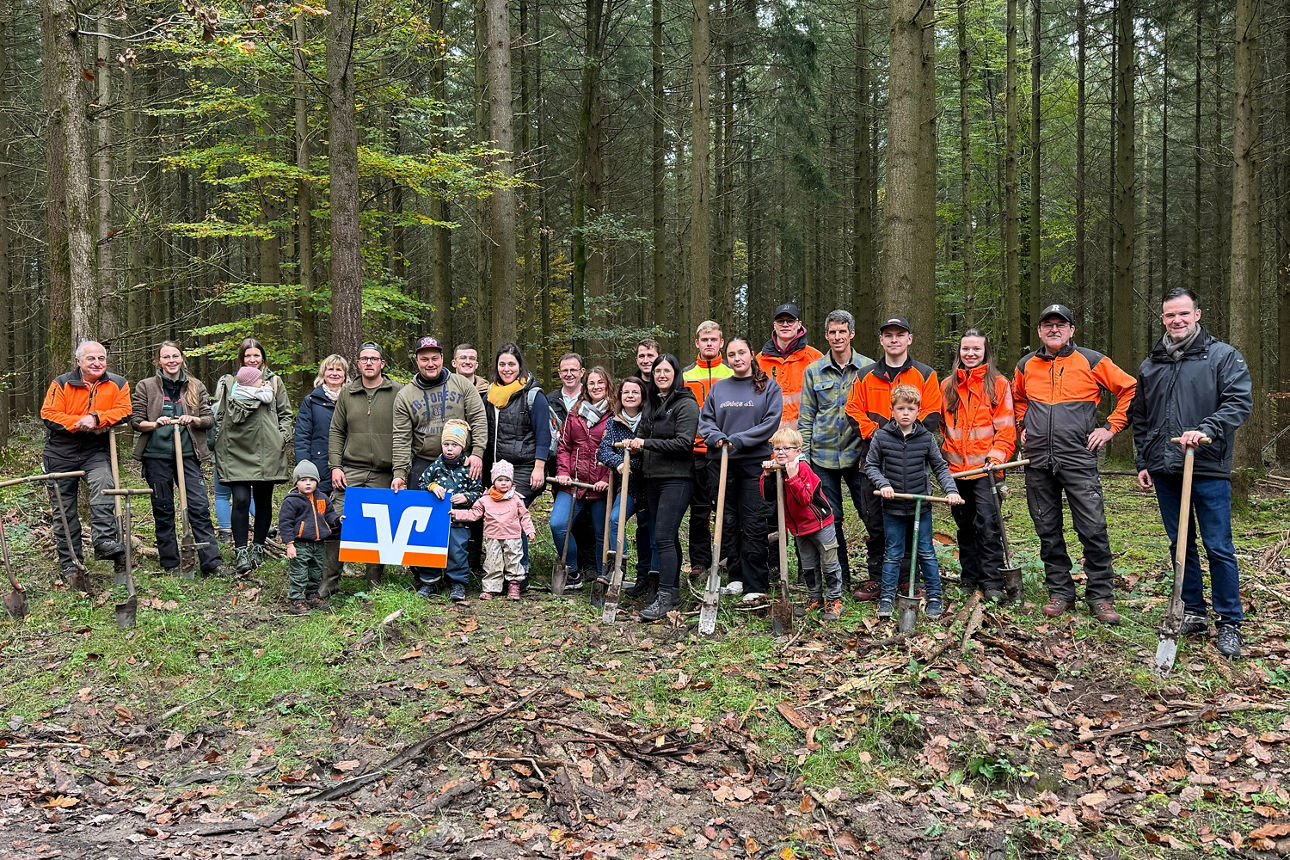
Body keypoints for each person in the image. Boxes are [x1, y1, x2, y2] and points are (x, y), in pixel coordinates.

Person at [1131, 288, 1253, 658]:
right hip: (1166, 469)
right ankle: (1194, 612)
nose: (1177, 321)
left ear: (1197, 314)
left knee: (1218, 546)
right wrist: (1143, 461)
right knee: (1179, 544)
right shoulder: (1152, 364)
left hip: (1208, 466)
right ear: (1163, 319)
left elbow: (1239, 403)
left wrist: (1208, 428)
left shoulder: (1222, 357)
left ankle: (1229, 621)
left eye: (1183, 314)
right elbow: (1142, 417)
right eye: (1170, 315)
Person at [1013, 303, 1136, 624]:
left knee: (1093, 528)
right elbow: (1017, 399)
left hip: (1078, 458)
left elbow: (1131, 388)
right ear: (1039, 330)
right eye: (1047, 325)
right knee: (1046, 528)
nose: (1054, 329)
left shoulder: (1092, 361)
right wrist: (1022, 426)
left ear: (1071, 330)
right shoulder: (1026, 365)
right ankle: (1061, 591)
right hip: (1037, 459)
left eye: (1060, 325)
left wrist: (1110, 427)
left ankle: (1100, 595)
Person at [843, 316, 942, 601]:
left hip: (912, 459)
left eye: (900, 334)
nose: (894, 340)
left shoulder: (925, 374)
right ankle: (878, 578)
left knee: (912, 519)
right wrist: (879, 434)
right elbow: (853, 410)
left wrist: (906, 433)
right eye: (889, 335)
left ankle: (908, 579)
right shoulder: (865, 375)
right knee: (875, 521)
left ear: (909, 338)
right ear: (881, 340)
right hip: (874, 457)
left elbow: (933, 411)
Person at [392, 335, 488, 592]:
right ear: (417, 361)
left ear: (443, 359)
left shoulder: (461, 385)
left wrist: (477, 452)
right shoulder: (405, 395)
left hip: (462, 463)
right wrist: (400, 472)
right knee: (423, 523)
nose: (430, 363)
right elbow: (401, 437)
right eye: (424, 359)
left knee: (465, 517)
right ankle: (428, 579)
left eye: (435, 358)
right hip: (425, 463)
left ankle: (463, 575)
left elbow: (478, 418)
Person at [864, 384, 963, 619]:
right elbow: (870, 466)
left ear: (918, 411)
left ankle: (935, 597)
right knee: (893, 553)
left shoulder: (926, 438)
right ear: (892, 411)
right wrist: (884, 484)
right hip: (893, 507)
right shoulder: (882, 436)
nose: (905, 413)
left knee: (927, 552)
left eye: (910, 408)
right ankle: (887, 598)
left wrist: (951, 491)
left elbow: (939, 466)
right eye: (900, 408)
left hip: (922, 507)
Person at [698, 337, 784, 603]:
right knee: (728, 521)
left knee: (753, 522)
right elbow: (706, 420)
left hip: (753, 463)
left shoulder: (768, 388)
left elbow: (770, 422)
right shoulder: (719, 389)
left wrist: (740, 439)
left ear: (751, 354)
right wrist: (718, 438)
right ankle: (735, 576)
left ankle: (755, 583)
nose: (737, 358)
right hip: (722, 461)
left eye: (742, 353)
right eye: (732, 354)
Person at [128, 341, 223, 577]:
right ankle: (170, 562)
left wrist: (195, 420)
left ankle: (211, 562)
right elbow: (136, 420)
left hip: (189, 455)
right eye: (166, 357)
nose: (171, 360)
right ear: (159, 361)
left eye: (175, 356)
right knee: (163, 508)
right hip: (156, 456)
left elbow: (209, 419)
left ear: (182, 358)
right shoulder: (146, 386)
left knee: (199, 506)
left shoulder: (196, 386)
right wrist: (154, 423)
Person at [40, 340, 132, 577]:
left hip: (95, 451)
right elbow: (49, 415)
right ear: (78, 361)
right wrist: (79, 423)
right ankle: (71, 563)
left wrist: (96, 418)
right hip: (60, 452)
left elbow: (124, 411)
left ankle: (103, 541)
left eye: (101, 358)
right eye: (91, 358)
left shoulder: (118, 383)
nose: (97, 363)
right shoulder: (61, 383)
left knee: (104, 483)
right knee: (63, 510)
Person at [799, 309, 874, 594]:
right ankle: (838, 581)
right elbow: (806, 418)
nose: (837, 337)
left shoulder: (868, 369)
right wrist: (803, 458)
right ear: (826, 335)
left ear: (851, 333)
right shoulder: (814, 371)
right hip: (822, 457)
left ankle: (876, 575)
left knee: (870, 514)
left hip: (858, 457)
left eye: (843, 331)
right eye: (832, 332)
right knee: (831, 520)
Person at [941, 329, 1016, 602]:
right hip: (956, 473)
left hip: (986, 471)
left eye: (976, 349)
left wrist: (995, 459)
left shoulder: (998, 384)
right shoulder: (947, 386)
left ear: (986, 352)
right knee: (964, 528)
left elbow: (1007, 429)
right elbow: (941, 428)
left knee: (988, 526)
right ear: (959, 352)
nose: (970, 354)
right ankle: (969, 578)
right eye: (965, 349)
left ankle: (993, 582)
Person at [624, 355, 699, 620]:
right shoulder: (653, 403)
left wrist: (645, 444)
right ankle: (671, 590)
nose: (661, 375)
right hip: (652, 477)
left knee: (664, 536)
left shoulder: (686, 403)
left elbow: (683, 443)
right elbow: (642, 435)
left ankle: (666, 596)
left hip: (677, 479)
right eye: (657, 371)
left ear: (676, 373)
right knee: (664, 536)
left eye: (666, 371)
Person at [327, 342, 403, 593]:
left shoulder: (397, 392)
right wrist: (336, 466)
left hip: (384, 471)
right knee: (336, 520)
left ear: (382, 363)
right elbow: (337, 431)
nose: (369, 362)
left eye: (374, 358)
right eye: (364, 359)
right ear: (358, 364)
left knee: (379, 528)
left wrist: (401, 471)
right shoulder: (347, 393)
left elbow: (406, 433)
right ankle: (328, 585)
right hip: (351, 469)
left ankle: (373, 586)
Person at [212, 338, 293, 574]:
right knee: (240, 499)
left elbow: (285, 414)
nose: (253, 359)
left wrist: (281, 438)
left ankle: (257, 547)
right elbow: (222, 414)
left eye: (256, 355)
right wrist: (219, 441)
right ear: (241, 359)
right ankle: (241, 551)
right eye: (248, 356)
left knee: (263, 499)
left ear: (263, 358)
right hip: (236, 449)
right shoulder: (231, 383)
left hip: (267, 451)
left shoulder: (274, 383)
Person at [760, 428, 844, 621]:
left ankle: (834, 599)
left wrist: (793, 476)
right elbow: (768, 496)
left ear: (798, 450)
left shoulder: (802, 468)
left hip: (821, 523)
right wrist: (767, 475)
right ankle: (814, 597)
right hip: (799, 528)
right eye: (777, 448)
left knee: (829, 562)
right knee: (808, 565)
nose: (781, 452)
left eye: (786, 449)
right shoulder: (778, 470)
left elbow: (805, 499)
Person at [483, 343, 551, 580]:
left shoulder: (533, 395)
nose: (506, 368)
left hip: (525, 467)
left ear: (520, 365)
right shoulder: (490, 396)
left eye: (511, 364)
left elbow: (544, 434)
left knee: (512, 511)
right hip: (497, 468)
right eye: (502, 364)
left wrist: (539, 467)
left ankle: (520, 571)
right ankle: (499, 570)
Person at [550, 366, 615, 593]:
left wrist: (607, 477)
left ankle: (601, 577)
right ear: (585, 387)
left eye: (600, 383)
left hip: (600, 485)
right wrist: (564, 473)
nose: (596, 387)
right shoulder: (575, 413)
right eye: (591, 383)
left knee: (601, 533)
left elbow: (616, 452)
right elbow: (564, 446)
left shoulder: (615, 415)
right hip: (574, 484)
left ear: (607, 386)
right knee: (558, 524)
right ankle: (573, 571)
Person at [682, 321, 732, 580]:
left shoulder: (732, 371)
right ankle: (699, 561)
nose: (709, 343)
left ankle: (724, 557)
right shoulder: (685, 375)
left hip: (726, 450)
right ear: (697, 343)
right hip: (695, 450)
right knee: (699, 509)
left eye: (714, 339)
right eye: (705, 340)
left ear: (721, 342)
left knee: (726, 506)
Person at [598, 377, 656, 596]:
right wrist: (620, 462)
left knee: (647, 529)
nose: (630, 396)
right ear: (619, 396)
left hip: (649, 484)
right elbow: (603, 451)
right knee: (615, 520)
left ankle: (647, 576)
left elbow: (653, 450)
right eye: (626, 392)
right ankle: (617, 566)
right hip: (628, 486)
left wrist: (635, 458)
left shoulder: (649, 421)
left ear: (642, 397)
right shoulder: (614, 423)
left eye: (635, 392)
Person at [417, 419, 484, 603]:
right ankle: (430, 581)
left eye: (454, 445)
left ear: (462, 447)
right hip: (436, 518)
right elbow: (421, 484)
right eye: (446, 444)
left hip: (459, 519)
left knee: (458, 550)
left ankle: (457, 582)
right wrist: (432, 487)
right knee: (431, 547)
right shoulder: (435, 466)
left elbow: (479, 491)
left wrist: (467, 497)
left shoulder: (469, 468)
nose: (449, 449)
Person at [452, 460, 536, 600]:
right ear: (493, 481)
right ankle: (491, 588)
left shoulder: (516, 499)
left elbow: (524, 515)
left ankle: (514, 586)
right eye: (500, 480)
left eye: (507, 480)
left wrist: (529, 530)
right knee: (492, 563)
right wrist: (458, 514)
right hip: (493, 537)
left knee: (513, 561)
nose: (504, 483)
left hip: (513, 537)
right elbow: (474, 514)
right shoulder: (485, 500)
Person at [546, 352, 598, 578]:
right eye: (564, 370)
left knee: (589, 522)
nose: (569, 374)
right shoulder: (550, 400)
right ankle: (572, 566)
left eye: (573, 370)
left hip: (594, 473)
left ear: (581, 373)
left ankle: (591, 565)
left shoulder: (591, 400)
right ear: (559, 373)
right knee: (564, 520)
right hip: (562, 469)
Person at [278, 460, 341, 615]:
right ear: (296, 483)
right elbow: (285, 523)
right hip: (300, 544)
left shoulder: (322, 498)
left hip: (319, 543)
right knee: (299, 572)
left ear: (317, 481)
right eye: (303, 480)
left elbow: (329, 514)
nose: (308, 483)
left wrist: (336, 520)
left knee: (316, 571)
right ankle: (296, 600)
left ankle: (312, 594)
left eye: (312, 480)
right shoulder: (291, 501)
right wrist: (289, 544)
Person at [757, 303, 823, 430]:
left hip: (803, 437)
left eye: (790, 320)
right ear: (774, 325)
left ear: (799, 324)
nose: (785, 324)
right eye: (780, 321)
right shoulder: (759, 360)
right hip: (768, 438)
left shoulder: (815, 358)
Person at [295, 355, 350, 496]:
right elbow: (302, 436)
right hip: (319, 466)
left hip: (349, 466)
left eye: (339, 369)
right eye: (330, 369)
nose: (334, 373)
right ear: (323, 373)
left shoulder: (353, 399)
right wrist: (304, 467)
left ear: (345, 374)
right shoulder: (311, 401)